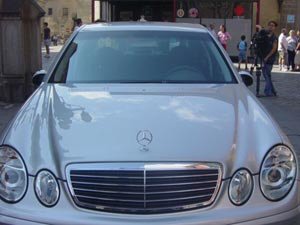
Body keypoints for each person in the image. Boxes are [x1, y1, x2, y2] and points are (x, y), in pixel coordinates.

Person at [257, 21, 278, 97]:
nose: (271, 27)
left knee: (266, 75)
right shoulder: (264, 35)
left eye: (273, 25)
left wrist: (267, 57)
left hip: (269, 58)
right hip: (262, 57)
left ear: (275, 27)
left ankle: (268, 92)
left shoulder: (274, 38)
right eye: (270, 25)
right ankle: (273, 91)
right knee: (267, 75)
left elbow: (274, 49)